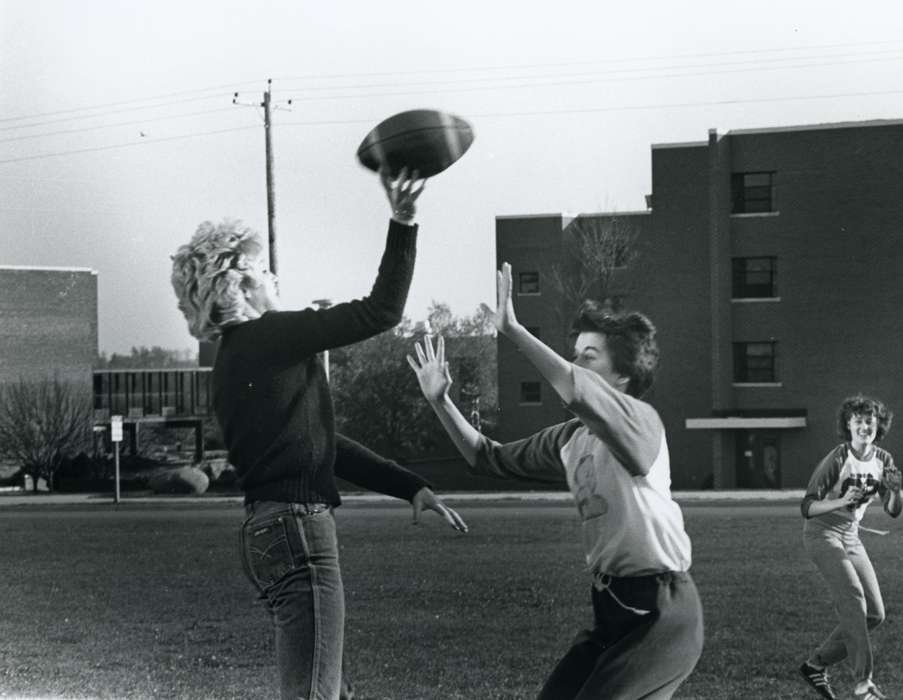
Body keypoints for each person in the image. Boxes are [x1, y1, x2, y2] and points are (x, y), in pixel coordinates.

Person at [170, 168, 468, 700]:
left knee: (332, 690)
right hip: (299, 533)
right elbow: (383, 310)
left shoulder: (233, 359)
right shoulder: (269, 336)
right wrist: (403, 220)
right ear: (239, 285)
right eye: (263, 270)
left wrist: (410, 486)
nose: (275, 278)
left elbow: (324, 449)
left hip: (268, 532)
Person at [408, 262, 703, 700]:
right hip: (612, 608)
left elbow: (573, 387)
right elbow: (484, 457)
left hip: (663, 613)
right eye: (575, 352)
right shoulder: (570, 439)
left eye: (589, 356)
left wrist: (513, 330)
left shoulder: (641, 422)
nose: (574, 363)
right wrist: (440, 401)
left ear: (621, 376)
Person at [798, 395, 903, 700]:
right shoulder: (838, 457)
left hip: (851, 535)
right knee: (854, 600)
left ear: (878, 425)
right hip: (822, 533)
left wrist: (895, 491)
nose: (864, 425)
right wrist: (841, 501)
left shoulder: (883, 459)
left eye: (869, 420)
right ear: (848, 424)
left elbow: (893, 510)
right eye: (857, 420)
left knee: (875, 614)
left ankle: (815, 665)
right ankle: (863, 684)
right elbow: (807, 506)